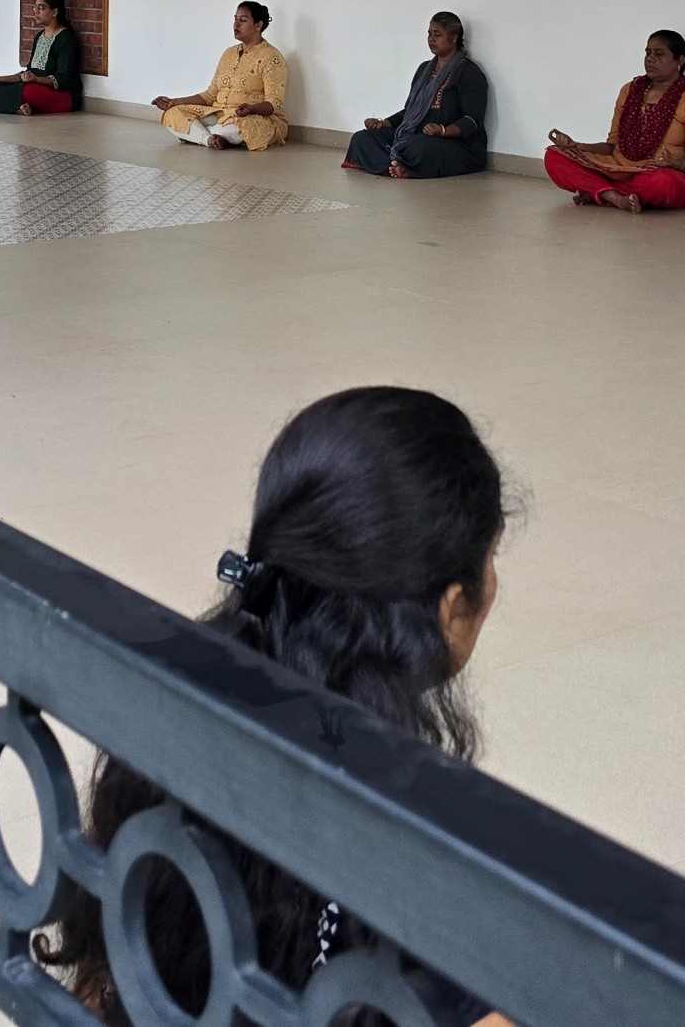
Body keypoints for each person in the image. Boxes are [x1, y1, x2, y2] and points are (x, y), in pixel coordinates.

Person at [34, 387, 515, 1027]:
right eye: (491, 558)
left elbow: (104, 978)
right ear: (451, 607)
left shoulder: (167, 732)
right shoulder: (419, 838)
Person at [543, 29, 685, 213]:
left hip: (659, 175)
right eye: (648, 53)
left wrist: (674, 164)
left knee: (663, 183)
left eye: (659, 54)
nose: (650, 59)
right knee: (554, 156)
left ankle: (599, 191)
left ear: (680, 60)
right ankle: (616, 198)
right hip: (618, 169)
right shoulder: (629, 90)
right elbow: (612, 146)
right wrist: (577, 146)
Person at [345, 11, 489, 178]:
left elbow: (472, 120)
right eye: (429, 34)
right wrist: (384, 123)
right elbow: (410, 111)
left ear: (454, 38)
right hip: (416, 135)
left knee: (418, 147)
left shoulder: (469, 73)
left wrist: (443, 130)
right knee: (362, 138)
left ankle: (396, 164)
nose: (431, 39)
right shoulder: (424, 69)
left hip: (455, 144)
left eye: (437, 35)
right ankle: (400, 165)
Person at [152, 1, 290, 150]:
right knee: (172, 114)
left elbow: (273, 104)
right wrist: (174, 102)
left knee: (240, 127)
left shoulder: (272, 57)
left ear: (258, 25)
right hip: (218, 114)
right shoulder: (228, 54)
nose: (236, 24)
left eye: (243, 20)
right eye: (235, 19)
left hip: (248, 118)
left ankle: (198, 134)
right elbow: (209, 95)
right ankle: (209, 139)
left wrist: (251, 109)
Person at [0, 0, 84, 115]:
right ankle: (20, 109)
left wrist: (36, 79)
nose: (36, 11)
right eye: (35, 8)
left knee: (27, 91)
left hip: (62, 96)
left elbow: (64, 79)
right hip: (32, 87)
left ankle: (21, 107)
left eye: (41, 8)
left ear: (55, 12)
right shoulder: (39, 37)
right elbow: (27, 74)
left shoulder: (66, 38)